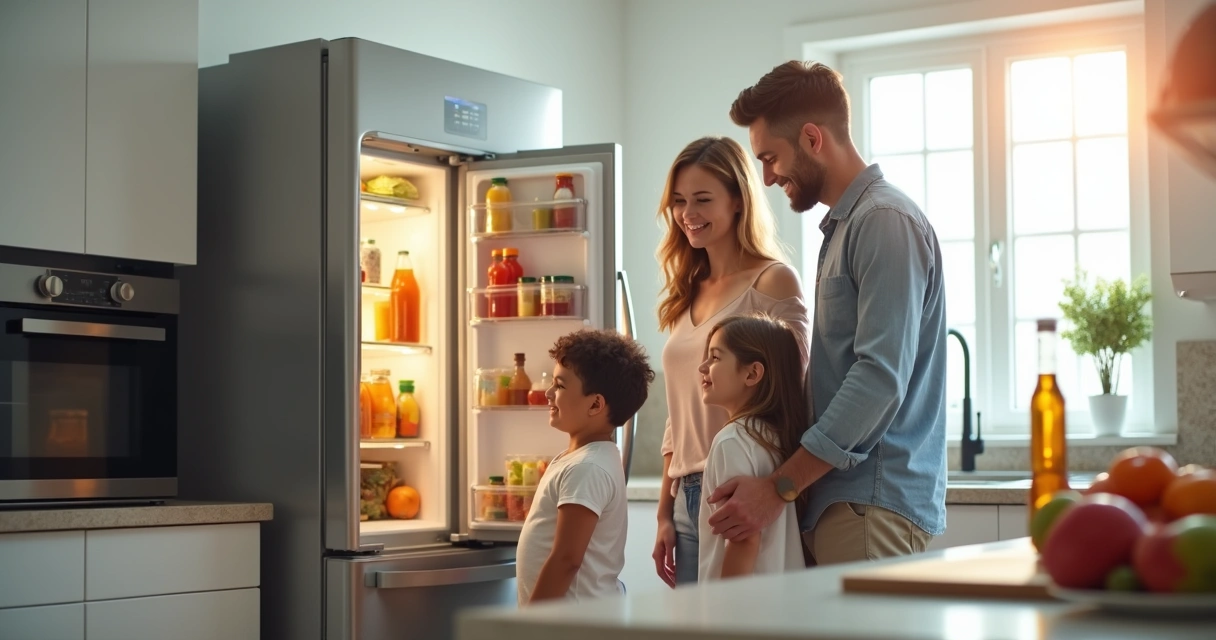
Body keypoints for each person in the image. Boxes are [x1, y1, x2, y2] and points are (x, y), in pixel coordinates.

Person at [707, 60, 948, 565]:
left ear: (813, 138)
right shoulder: (845, 228)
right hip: (844, 502)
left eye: (771, 158)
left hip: (871, 503)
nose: (768, 178)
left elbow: (879, 378)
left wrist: (779, 486)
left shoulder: (883, 222)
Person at [652, 136, 810, 587]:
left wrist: (777, 490)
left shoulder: (772, 280)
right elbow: (676, 412)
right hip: (687, 494)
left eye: (703, 199)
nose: (688, 214)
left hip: (744, 486)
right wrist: (665, 510)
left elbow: (793, 394)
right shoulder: (688, 290)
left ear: (739, 201)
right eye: (679, 201)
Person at [517, 329, 655, 604]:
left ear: (595, 404)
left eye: (560, 385)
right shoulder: (584, 459)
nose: (548, 393)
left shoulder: (587, 467)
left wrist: (531, 623)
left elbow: (567, 560)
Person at [697, 313, 809, 581]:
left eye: (715, 357)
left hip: (740, 614)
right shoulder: (779, 439)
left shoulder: (732, 441)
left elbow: (743, 541)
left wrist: (727, 615)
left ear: (752, 373)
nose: (703, 367)